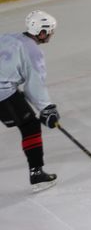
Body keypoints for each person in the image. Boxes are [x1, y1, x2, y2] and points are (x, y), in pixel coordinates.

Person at [0, 10, 61, 192]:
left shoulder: (7, 37)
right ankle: (37, 175)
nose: (51, 34)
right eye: (49, 31)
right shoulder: (33, 51)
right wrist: (46, 108)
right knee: (30, 126)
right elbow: (35, 84)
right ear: (41, 32)